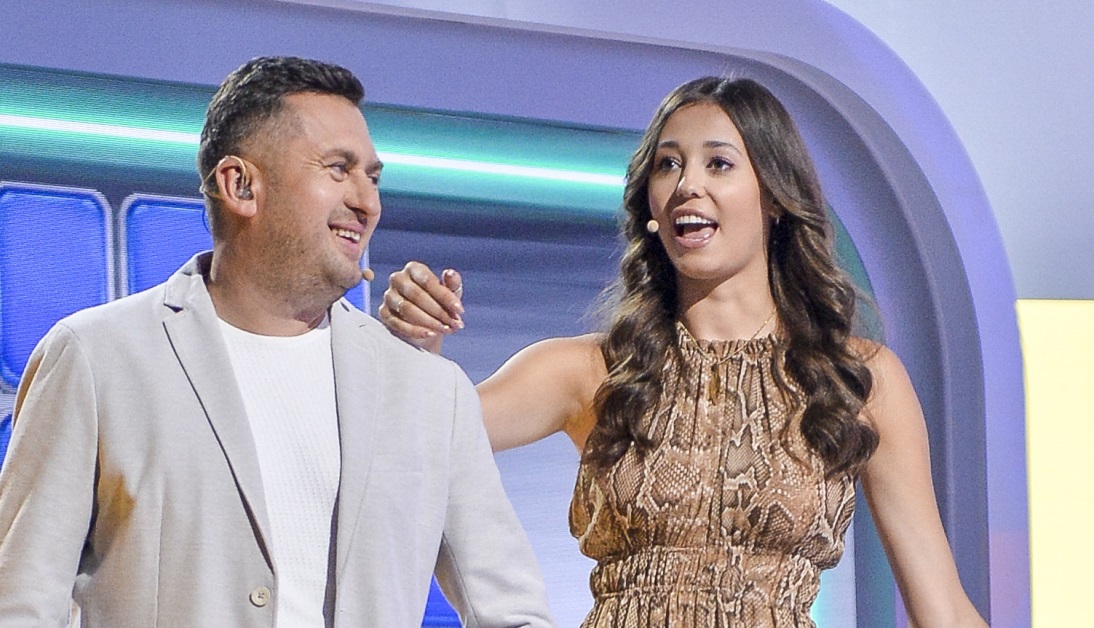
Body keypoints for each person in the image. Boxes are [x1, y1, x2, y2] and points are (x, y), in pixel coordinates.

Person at [379, 77, 988, 626]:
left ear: (775, 197)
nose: (687, 185)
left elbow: (940, 607)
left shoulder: (858, 379)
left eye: (718, 164)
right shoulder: (589, 371)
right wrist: (419, 347)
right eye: (668, 165)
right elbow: (416, 440)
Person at [0, 56, 554, 627]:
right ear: (240, 185)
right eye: (338, 169)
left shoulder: (430, 390)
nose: (367, 202)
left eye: (372, 177)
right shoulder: (96, 358)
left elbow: (512, 612)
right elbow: (19, 605)